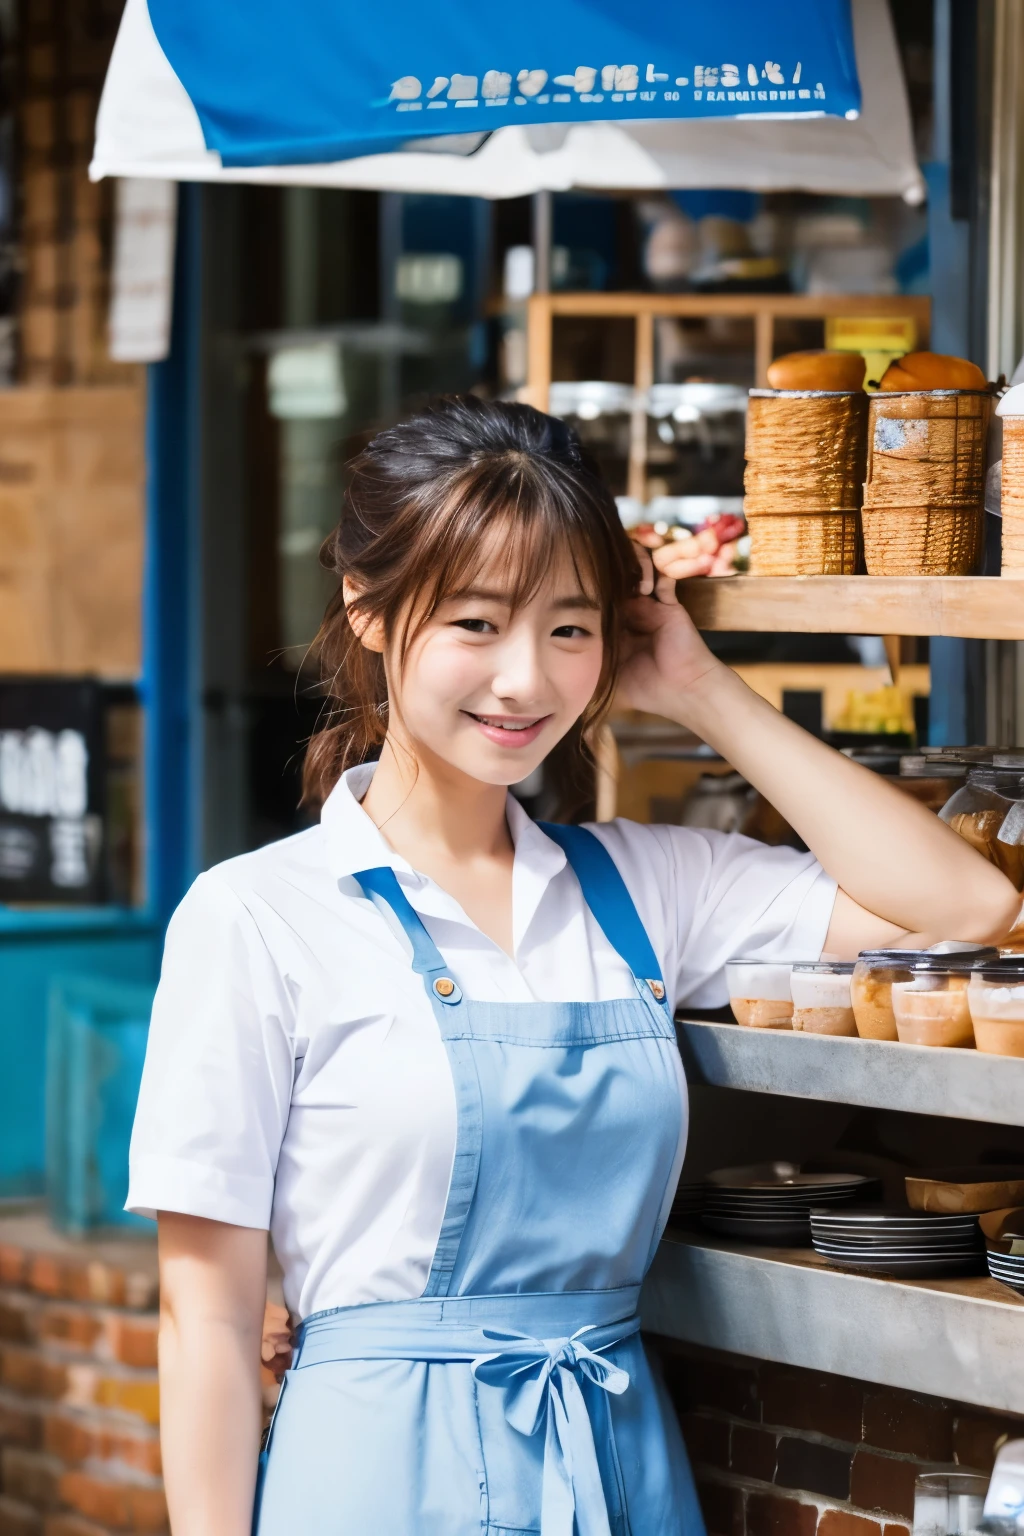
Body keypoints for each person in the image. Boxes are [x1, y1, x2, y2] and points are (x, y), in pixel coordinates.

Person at [132, 396, 1020, 1536]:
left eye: (568, 628)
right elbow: (202, 1319)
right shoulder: (258, 918)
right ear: (367, 606)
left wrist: (704, 689)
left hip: (614, 1470)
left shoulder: (647, 890)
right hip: (371, 1484)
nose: (524, 682)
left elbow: (969, 902)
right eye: (475, 624)